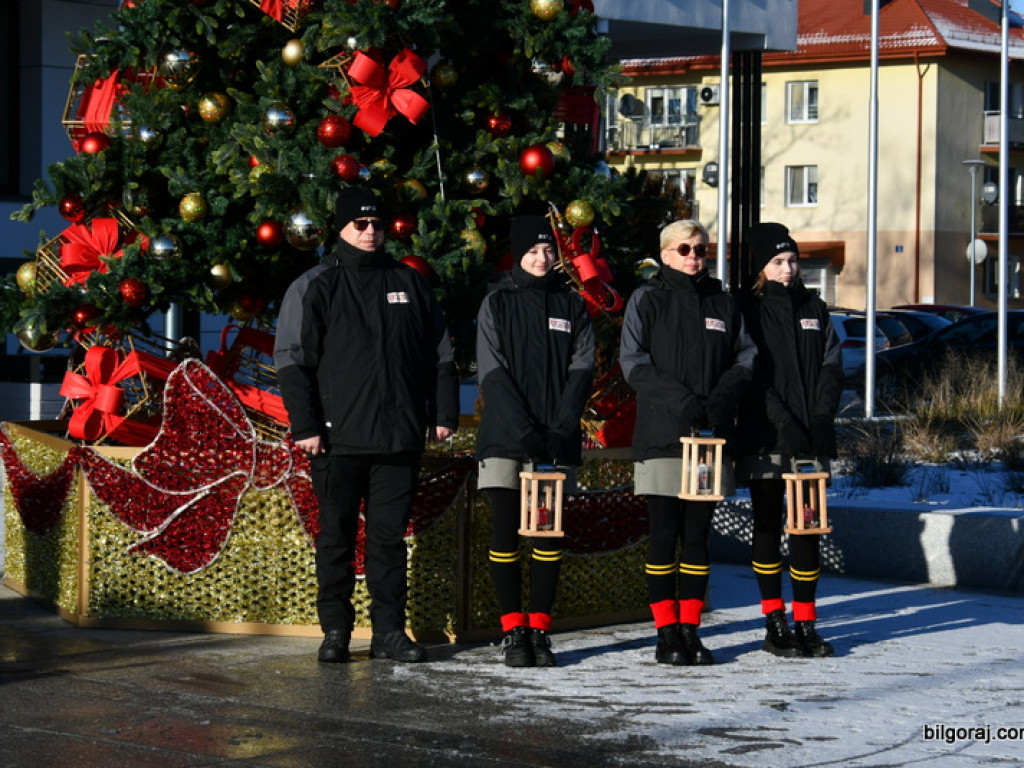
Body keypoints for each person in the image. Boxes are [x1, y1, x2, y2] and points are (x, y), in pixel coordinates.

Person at [274, 186, 459, 664]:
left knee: (388, 541)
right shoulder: (315, 285)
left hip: (398, 437)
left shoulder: (409, 282)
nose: (371, 232)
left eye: (377, 224)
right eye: (361, 224)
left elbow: (440, 354)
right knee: (335, 540)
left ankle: (389, 633)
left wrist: (441, 414)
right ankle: (336, 630)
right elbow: (293, 361)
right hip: (336, 440)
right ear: (340, 228)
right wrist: (307, 425)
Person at [619, 219, 755, 666]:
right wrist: (682, 401)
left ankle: (691, 629)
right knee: (664, 537)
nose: (694, 257)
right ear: (664, 253)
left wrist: (719, 400)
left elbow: (745, 357)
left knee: (697, 539)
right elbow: (633, 363)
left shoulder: (723, 301)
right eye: (684, 249)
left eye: (700, 249)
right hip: (661, 436)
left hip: (709, 441)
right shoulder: (647, 298)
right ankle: (665, 633)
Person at [475, 214, 595, 668]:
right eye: (532, 251)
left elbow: (582, 369)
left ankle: (540, 631)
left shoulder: (572, 305)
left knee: (548, 536)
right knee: (505, 535)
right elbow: (492, 371)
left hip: (556, 440)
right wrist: (525, 429)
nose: (542, 258)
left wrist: (562, 426)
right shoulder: (497, 303)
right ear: (517, 254)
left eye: (548, 250)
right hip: (506, 438)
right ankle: (513, 631)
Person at [735, 222, 843, 658]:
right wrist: (784, 421)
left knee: (807, 529)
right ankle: (774, 619)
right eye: (778, 261)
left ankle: (805, 620)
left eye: (792, 260)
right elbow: (754, 374)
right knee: (767, 524)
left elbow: (832, 366)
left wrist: (820, 417)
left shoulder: (814, 307)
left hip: (810, 440)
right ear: (761, 266)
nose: (787, 269)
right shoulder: (748, 309)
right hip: (767, 436)